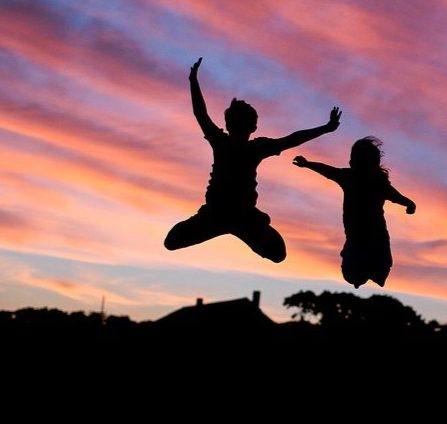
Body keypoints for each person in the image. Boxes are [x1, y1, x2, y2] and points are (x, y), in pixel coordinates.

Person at [164, 57, 341, 262]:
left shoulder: (232, 143)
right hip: (217, 215)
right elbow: (292, 139)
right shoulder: (237, 144)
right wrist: (326, 128)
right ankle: (227, 227)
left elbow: (200, 114)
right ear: (253, 127)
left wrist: (193, 81)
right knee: (171, 242)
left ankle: (237, 227)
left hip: (240, 216)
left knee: (278, 254)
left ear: (230, 125)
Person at [292, 137, 416, 288]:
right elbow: (327, 170)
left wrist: (409, 203)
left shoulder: (373, 181)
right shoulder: (351, 177)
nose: (352, 162)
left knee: (378, 264)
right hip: (359, 236)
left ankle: (371, 272)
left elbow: (395, 196)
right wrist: (308, 164)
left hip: (373, 235)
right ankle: (362, 274)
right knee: (355, 271)